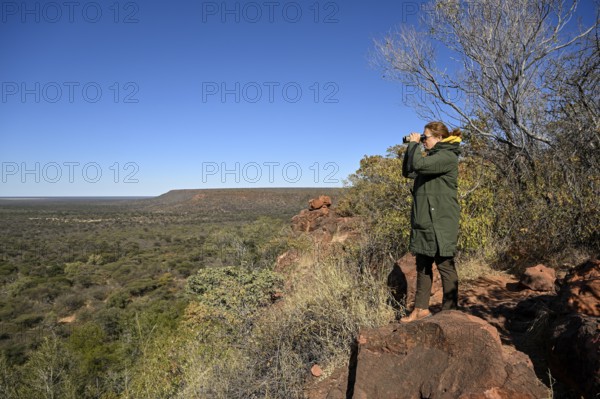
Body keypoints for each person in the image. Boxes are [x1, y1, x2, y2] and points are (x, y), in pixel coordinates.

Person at [400, 121, 462, 322]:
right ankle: (420, 309)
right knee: (423, 265)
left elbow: (418, 165)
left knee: (445, 265)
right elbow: (409, 171)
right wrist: (411, 147)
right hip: (426, 220)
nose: (423, 140)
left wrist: (414, 145)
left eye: (426, 137)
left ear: (440, 138)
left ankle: (450, 312)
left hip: (440, 221)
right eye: (423, 137)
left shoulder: (446, 157)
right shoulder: (432, 157)